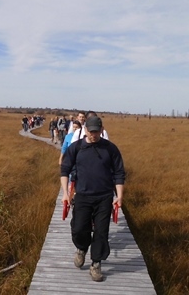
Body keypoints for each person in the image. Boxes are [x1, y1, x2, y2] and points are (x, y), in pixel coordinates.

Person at [60, 116, 125, 282]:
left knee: (101, 232)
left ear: (101, 130)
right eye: (91, 131)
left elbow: (119, 173)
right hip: (82, 196)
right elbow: (65, 170)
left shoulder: (110, 149)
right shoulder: (76, 148)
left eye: (96, 131)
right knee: (79, 228)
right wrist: (66, 194)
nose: (93, 134)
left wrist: (119, 196)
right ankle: (81, 248)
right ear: (85, 130)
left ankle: (96, 264)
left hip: (104, 197)